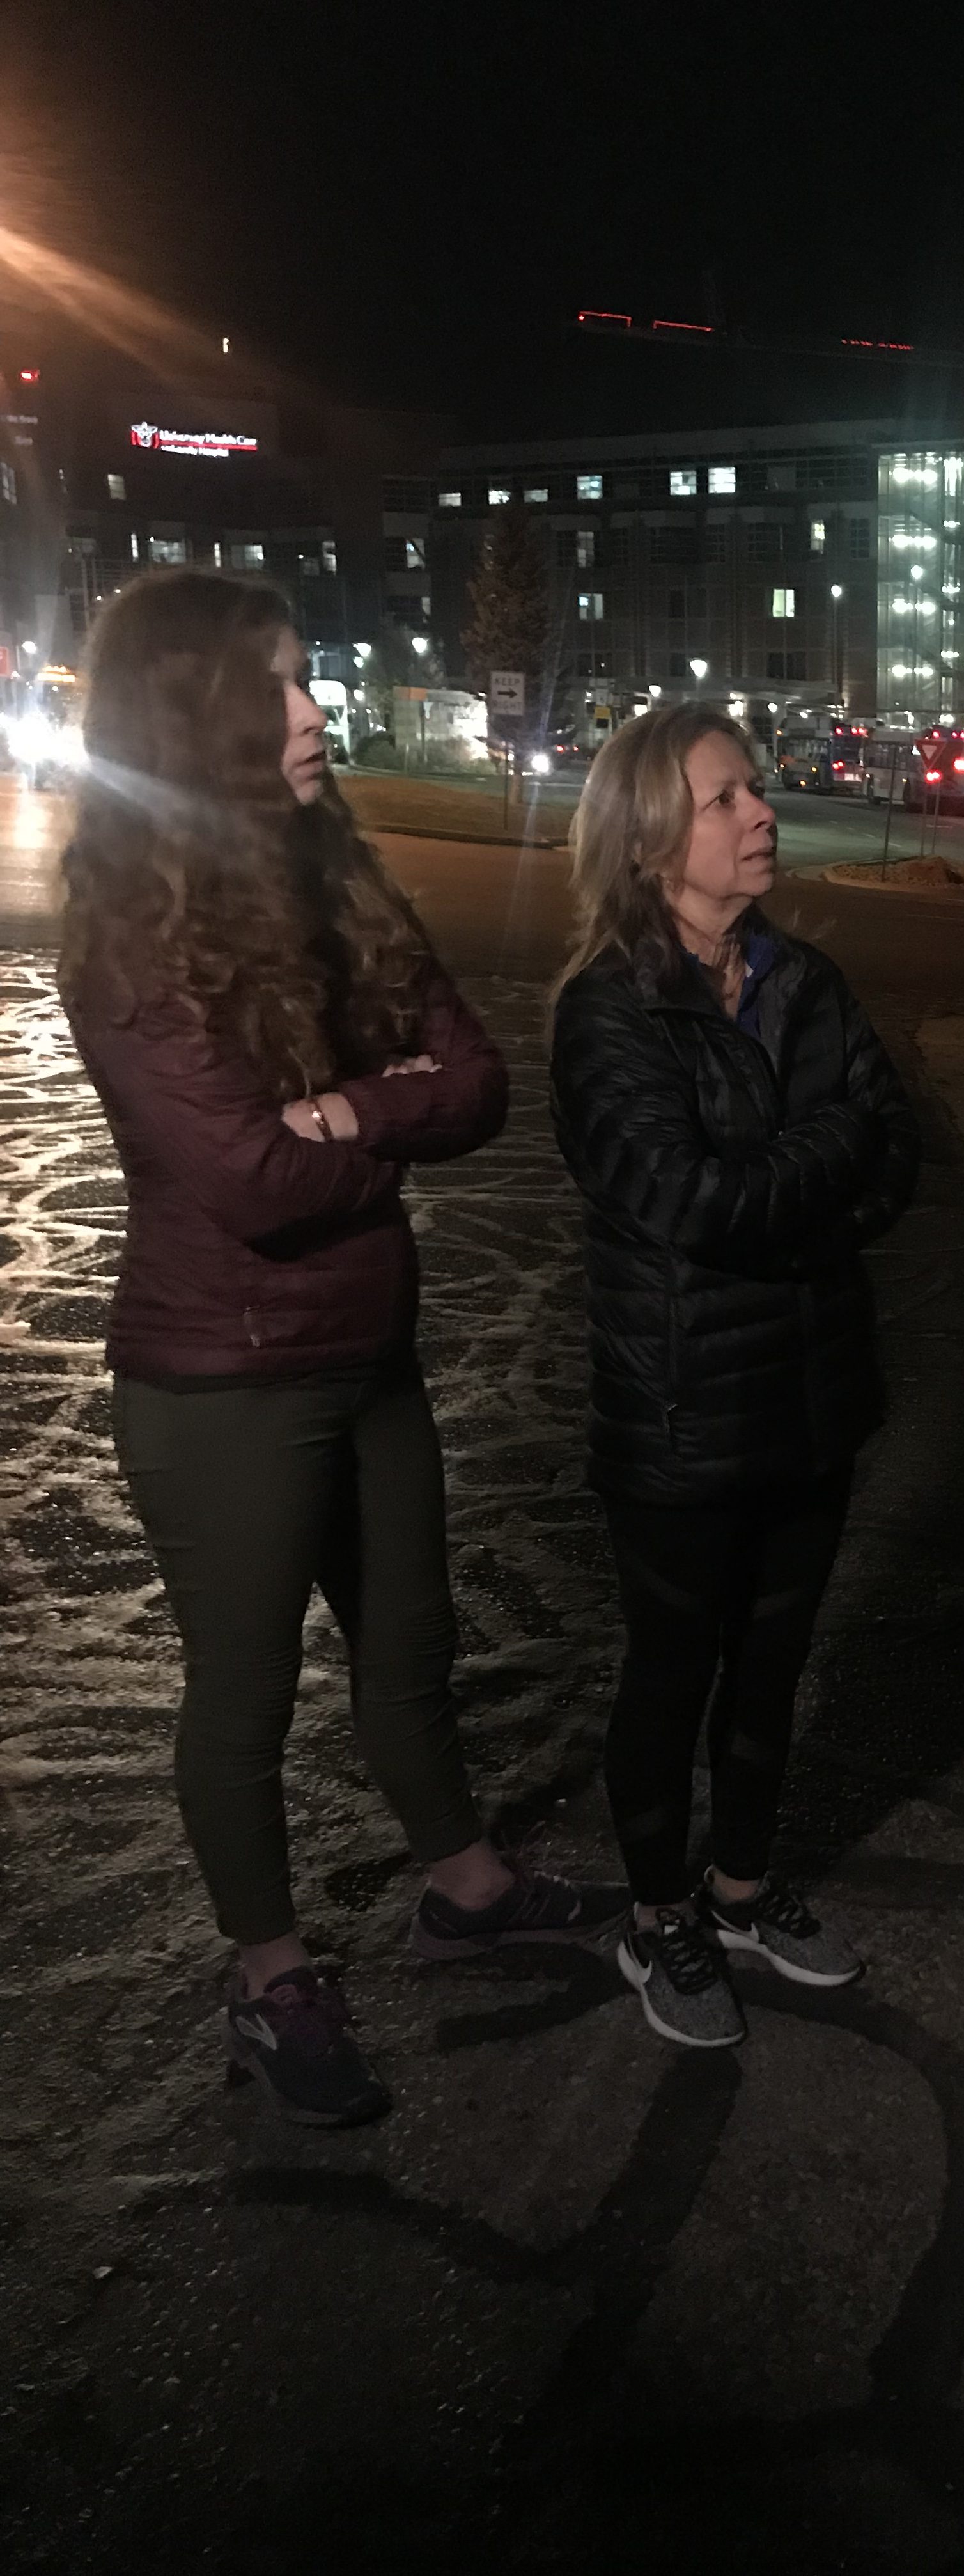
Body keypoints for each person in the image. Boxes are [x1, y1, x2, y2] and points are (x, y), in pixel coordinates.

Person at [60, 570, 618, 2130]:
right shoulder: (130, 936)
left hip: (368, 1356)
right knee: (242, 1702)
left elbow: (478, 1078)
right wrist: (376, 1135)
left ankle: (465, 1887)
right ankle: (270, 1973)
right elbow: (247, 1179)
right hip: (221, 1380)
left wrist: (360, 1108)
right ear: (201, 719)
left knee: (413, 1649)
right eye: (289, 690)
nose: (320, 714)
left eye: (315, 683)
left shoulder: (338, 881)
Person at [550, 702, 919, 2048]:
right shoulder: (608, 1012)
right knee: (673, 1671)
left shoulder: (805, 982)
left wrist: (797, 1185)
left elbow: (900, 1153)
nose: (763, 813)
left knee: (775, 1667)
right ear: (653, 835)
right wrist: (817, 1168)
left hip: (813, 1398)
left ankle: (743, 1891)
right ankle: (659, 1919)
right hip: (683, 1411)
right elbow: (681, 1199)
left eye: (756, 792)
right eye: (727, 798)